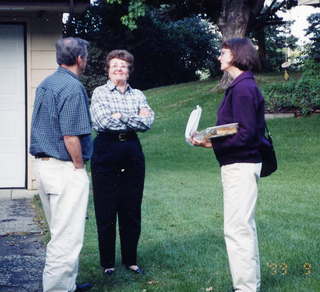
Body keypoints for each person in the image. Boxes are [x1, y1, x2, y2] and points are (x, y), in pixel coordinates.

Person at [192, 38, 265, 292]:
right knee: (244, 227)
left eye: (223, 52)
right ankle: (250, 285)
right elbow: (238, 130)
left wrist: (212, 144)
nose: (219, 57)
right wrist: (211, 139)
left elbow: (246, 134)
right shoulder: (240, 86)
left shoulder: (243, 88)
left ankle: (245, 288)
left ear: (236, 55)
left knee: (237, 230)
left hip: (241, 166)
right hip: (241, 164)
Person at [30, 37, 93, 292]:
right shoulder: (71, 87)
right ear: (80, 59)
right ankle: (58, 289)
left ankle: (67, 284)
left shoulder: (46, 83)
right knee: (66, 239)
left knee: (60, 232)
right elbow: (70, 136)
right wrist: (79, 167)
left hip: (44, 168)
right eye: (85, 57)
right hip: (64, 169)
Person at [90, 49, 154, 276]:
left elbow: (147, 123)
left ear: (129, 71)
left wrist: (122, 117)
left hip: (132, 153)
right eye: (115, 65)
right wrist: (133, 119)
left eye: (123, 66)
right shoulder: (99, 93)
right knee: (106, 210)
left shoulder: (138, 95)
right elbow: (102, 122)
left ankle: (131, 260)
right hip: (106, 152)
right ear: (108, 69)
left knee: (131, 209)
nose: (119, 69)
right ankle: (107, 262)